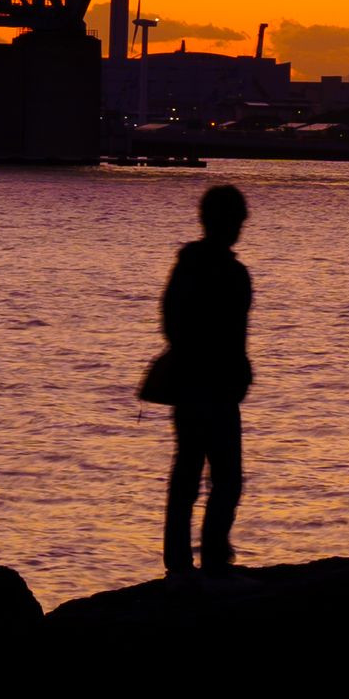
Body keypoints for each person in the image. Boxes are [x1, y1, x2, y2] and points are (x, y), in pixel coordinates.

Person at [141, 185, 254, 576]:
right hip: (213, 387)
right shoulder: (230, 273)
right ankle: (212, 559)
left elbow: (171, 321)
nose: (239, 226)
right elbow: (231, 333)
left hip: (194, 384)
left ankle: (183, 562)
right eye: (236, 219)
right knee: (223, 478)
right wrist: (230, 366)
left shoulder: (189, 266)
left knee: (190, 473)